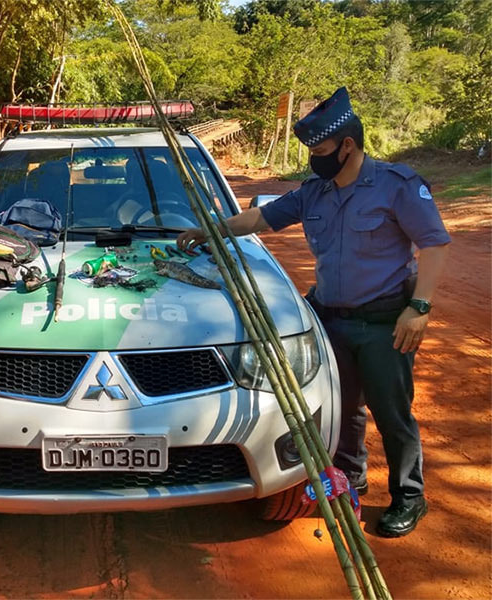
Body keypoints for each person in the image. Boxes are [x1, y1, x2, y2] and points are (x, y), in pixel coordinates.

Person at [178, 87, 450, 538]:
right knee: (342, 410)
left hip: (385, 323)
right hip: (330, 321)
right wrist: (211, 231)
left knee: (392, 410)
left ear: (348, 146)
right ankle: (349, 479)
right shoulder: (314, 193)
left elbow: (436, 244)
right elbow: (261, 220)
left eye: (321, 151)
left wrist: (419, 307)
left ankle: (409, 495)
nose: (314, 160)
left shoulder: (396, 186)